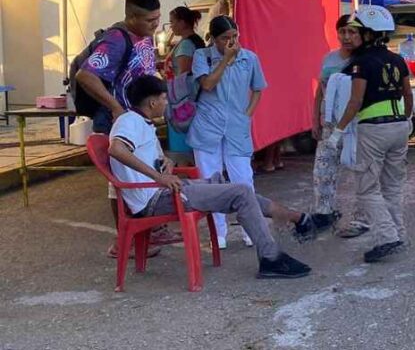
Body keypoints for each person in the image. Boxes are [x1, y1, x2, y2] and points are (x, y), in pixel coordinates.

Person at [109, 76, 315, 279]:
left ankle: (295, 219)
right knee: (241, 192)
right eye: (164, 98)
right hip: (156, 199)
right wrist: (158, 177)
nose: (166, 103)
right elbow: (116, 149)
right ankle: (271, 256)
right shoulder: (129, 121)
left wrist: (166, 162)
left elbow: (148, 156)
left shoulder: (143, 123)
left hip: (166, 191)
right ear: (152, 102)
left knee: (226, 185)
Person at [74, 0, 164, 259]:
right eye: (150, 20)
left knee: (147, 170)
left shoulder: (145, 36)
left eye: (158, 19)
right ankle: (125, 239)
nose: (155, 25)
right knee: (120, 181)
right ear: (132, 17)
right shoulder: (115, 40)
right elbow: (85, 75)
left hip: (139, 120)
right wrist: (115, 107)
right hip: (120, 122)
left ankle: (149, 230)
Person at [331, 5, 414, 263]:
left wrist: (338, 131)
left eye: (357, 32)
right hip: (399, 126)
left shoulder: (361, 63)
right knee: (392, 186)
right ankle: (398, 234)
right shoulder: (398, 59)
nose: (352, 36)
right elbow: (408, 95)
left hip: (374, 129)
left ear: (369, 34)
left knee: (367, 189)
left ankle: (388, 238)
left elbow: (355, 102)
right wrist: (407, 120)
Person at [187, 16, 267, 249]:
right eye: (225, 38)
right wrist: (225, 60)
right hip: (207, 126)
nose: (231, 42)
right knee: (211, 181)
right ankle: (218, 233)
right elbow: (208, 85)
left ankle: (249, 229)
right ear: (213, 39)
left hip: (237, 128)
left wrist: (247, 114)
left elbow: (258, 89)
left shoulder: (249, 58)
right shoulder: (202, 57)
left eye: (235, 37)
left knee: (243, 178)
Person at [311, 14, 366, 236]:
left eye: (352, 32)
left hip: (356, 125)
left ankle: (361, 217)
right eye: (343, 31)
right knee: (323, 170)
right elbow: (320, 90)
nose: (346, 37)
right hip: (330, 125)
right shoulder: (329, 59)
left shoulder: (365, 61)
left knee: (360, 171)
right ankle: (324, 213)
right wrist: (315, 118)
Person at [166, 6, 205, 155]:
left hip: (182, 99)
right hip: (188, 98)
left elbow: (183, 74)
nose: (171, 26)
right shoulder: (192, 41)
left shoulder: (186, 45)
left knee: (183, 139)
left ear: (182, 23)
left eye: (172, 22)